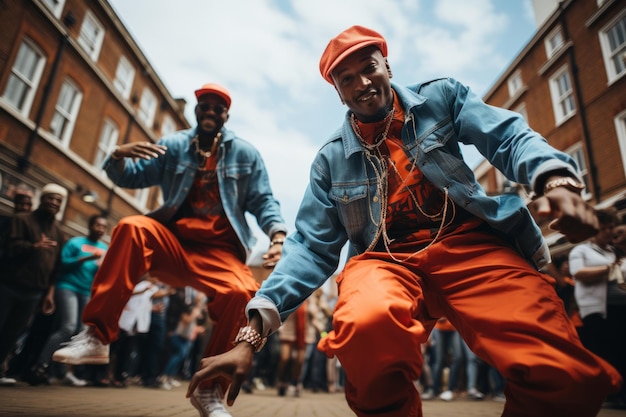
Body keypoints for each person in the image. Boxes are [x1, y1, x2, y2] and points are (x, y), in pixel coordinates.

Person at [186, 25, 622, 417]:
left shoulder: (442, 97)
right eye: (346, 79)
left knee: (561, 371)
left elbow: (506, 135)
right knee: (365, 329)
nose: (361, 83)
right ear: (338, 93)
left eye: (368, 67)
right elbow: (310, 249)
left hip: (468, 243)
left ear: (386, 65)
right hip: (385, 260)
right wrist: (249, 338)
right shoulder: (330, 159)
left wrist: (556, 180)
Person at [52, 83, 287, 416]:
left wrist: (277, 235)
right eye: (203, 105)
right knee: (133, 227)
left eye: (217, 108)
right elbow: (131, 178)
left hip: (220, 251)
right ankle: (97, 336)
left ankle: (209, 392)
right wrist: (117, 156)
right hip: (174, 244)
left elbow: (263, 200)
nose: (209, 112)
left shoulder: (245, 154)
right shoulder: (174, 145)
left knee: (243, 291)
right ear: (196, 109)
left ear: (226, 115)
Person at [25, 214, 108, 386]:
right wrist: (87, 258)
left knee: (80, 332)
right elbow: (62, 264)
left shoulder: (104, 248)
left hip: (86, 292)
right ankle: (40, 365)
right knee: (68, 327)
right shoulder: (75, 242)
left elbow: (102, 276)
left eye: (103, 227)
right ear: (90, 225)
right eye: (97, 225)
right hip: (68, 287)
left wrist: (102, 270)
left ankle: (62, 371)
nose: (100, 229)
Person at [0, 183, 67, 387]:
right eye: (50, 198)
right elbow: (9, 248)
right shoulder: (21, 220)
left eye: (58, 200)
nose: (54, 203)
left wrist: (49, 293)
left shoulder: (58, 232)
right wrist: (34, 246)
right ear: (42, 199)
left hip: (35, 292)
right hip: (10, 284)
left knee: (13, 332)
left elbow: (56, 267)